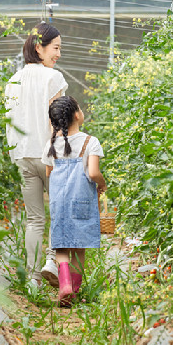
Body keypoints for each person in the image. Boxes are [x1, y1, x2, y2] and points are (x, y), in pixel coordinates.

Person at [4, 23, 67, 294]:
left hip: (22, 156)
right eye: (56, 48)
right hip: (48, 155)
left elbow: (9, 121)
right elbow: (58, 123)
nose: (59, 54)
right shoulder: (52, 78)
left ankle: (32, 279)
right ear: (39, 48)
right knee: (59, 213)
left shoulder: (13, 81)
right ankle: (52, 262)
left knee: (34, 220)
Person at [41, 96, 106, 306]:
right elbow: (94, 173)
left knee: (61, 247)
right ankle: (74, 293)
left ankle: (64, 285)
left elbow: (49, 173)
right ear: (77, 114)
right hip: (82, 202)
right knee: (79, 249)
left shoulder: (52, 144)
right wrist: (102, 184)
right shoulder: (90, 141)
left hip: (60, 202)